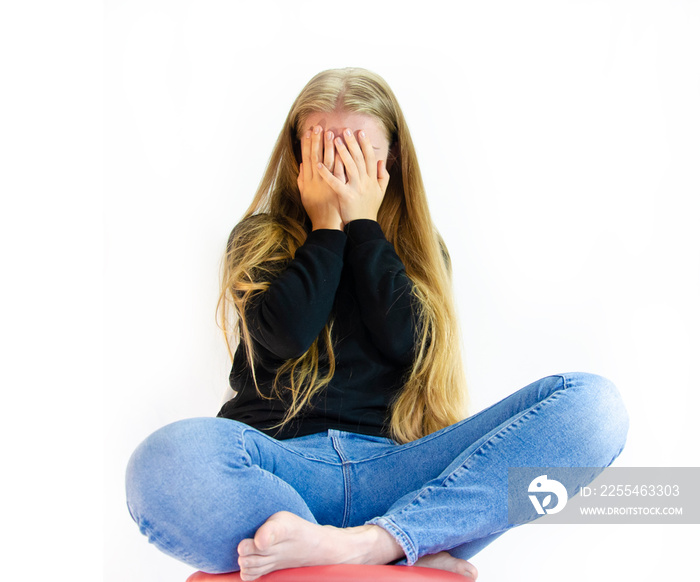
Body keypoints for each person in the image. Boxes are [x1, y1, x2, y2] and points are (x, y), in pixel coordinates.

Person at [125, 67, 629, 581]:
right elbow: (285, 335)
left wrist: (364, 226)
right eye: (324, 152)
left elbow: (405, 343)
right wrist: (326, 227)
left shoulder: (421, 252)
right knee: (164, 461)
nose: (340, 171)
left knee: (594, 409)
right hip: (277, 470)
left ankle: (380, 540)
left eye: (358, 155)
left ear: (391, 161)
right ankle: (387, 544)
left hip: (397, 475)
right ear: (298, 159)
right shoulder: (260, 237)